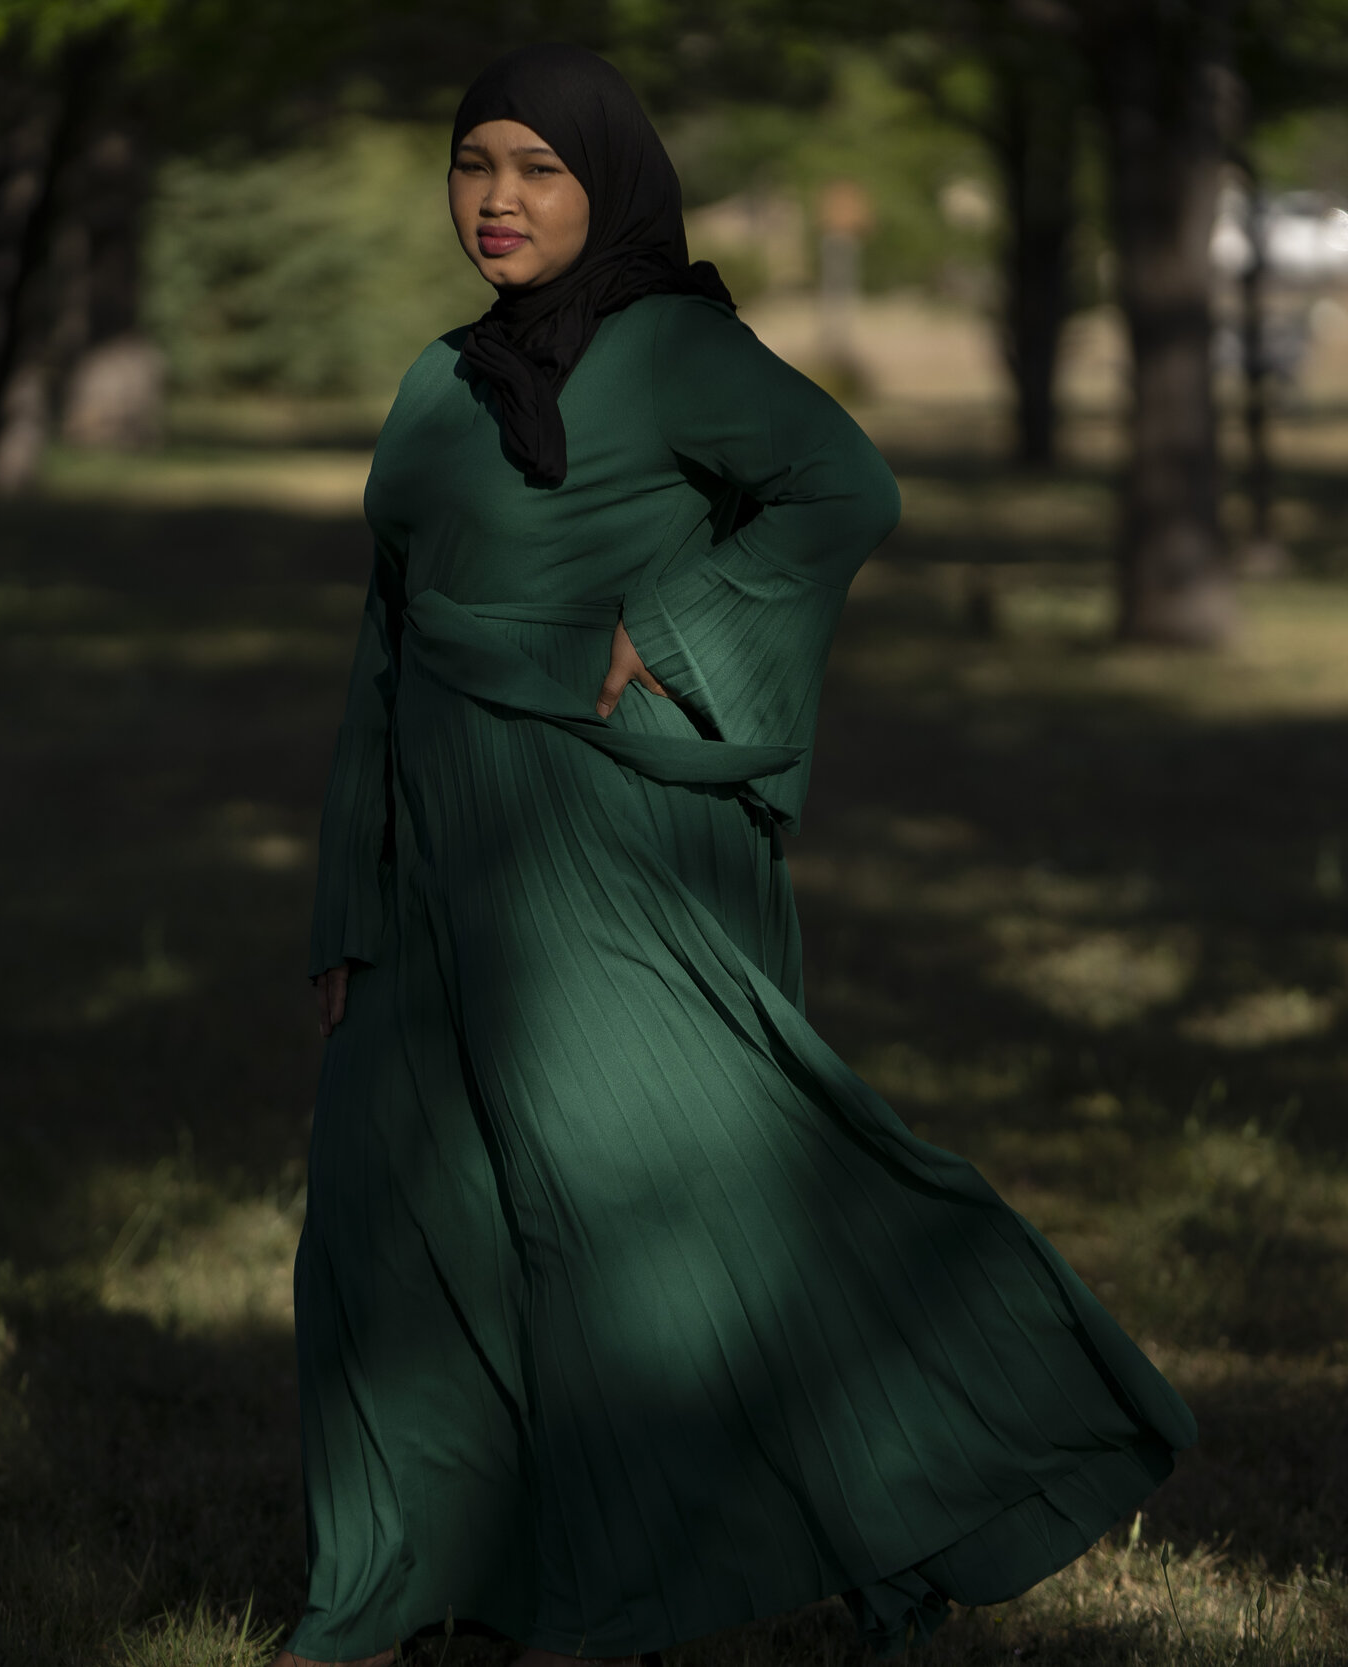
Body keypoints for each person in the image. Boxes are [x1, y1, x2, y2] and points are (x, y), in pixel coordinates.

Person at [281, 44, 1194, 1667]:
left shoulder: (677, 352)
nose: (496, 198)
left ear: (609, 183)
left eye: (537, 168)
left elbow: (844, 486)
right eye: (473, 162)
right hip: (434, 870)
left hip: (604, 855)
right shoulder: (437, 382)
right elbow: (382, 640)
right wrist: (350, 903)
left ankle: (906, 1469)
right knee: (393, 1218)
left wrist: (669, 635)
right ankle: (426, 1581)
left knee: (665, 1207)